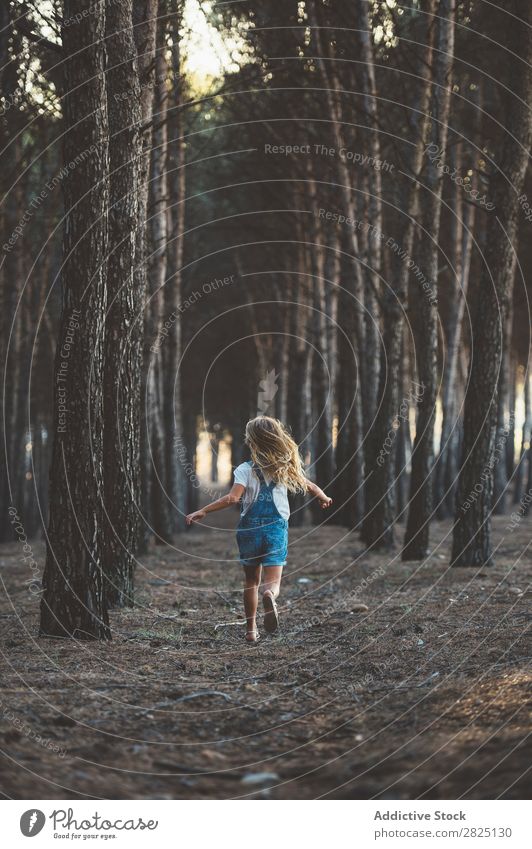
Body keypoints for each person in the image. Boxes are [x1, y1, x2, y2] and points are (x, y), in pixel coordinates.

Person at [185, 415, 332, 642]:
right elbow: (309, 485)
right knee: (272, 582)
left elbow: (233, 498)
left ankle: (251, 631)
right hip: (276, 528)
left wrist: (204, 510)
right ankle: (270, 595)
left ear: (252, 442)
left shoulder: (244, 469)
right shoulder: (286, 467)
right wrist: (323, 497)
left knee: (250, 581)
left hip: (249, 530)